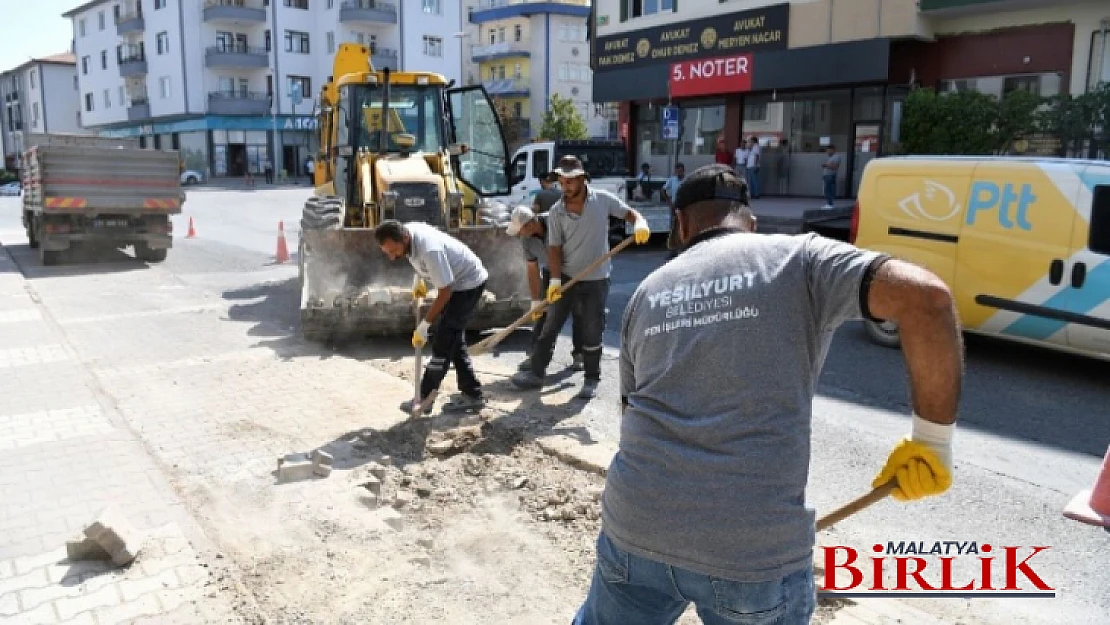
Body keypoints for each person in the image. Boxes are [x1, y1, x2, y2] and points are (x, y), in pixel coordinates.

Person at [573, 163, 963, 624]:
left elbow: (630, 417)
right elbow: (928, 299)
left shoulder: (648, 292)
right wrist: (932, 442)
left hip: (635, 527)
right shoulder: (801, 259)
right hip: (750, 553)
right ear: (750, 222)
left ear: (681, 225)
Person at [510, 155, 651, 400]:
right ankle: (536, 372)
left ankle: (591, 378)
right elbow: (553, 248)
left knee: (592, 326)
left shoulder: (603, 201)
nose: (565, 186)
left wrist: (640, 223)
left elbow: (630, 214)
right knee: (551, 324)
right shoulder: (556, 212)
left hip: (597, 278)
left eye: (570, 181)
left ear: (582, 179)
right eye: (562, 181)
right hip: (566, 277)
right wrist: (554, 280)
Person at [375, 220, 490, 414]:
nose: (392, 258)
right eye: (387, 253)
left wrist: (424, 325)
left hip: (468, 284)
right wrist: (419, 279)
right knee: (454, 339)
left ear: (404, 238)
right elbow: (421, 262)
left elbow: (445, 292)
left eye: (394, 251)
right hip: (454, 282)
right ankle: (473, 393)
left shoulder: (430, 251)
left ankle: (424, 398)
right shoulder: (408, 232)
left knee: (443, 341)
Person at [505, 205, 584, 372]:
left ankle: (580, 355)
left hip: (576, 270)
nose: (519, 235)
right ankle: (536, 355)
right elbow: (532, 269)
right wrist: (536, 301)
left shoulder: (557, 221)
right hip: (551, 271)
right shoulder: (526, 240)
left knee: (580, 310)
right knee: (544, 314)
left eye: (520, 230)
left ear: (530, 224)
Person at [661, 162, 685, 256]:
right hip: (675, 206)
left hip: (684, 206)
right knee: (673, 229)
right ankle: (673, 251)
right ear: (675, 172)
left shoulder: (687, 180)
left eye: (681, 171)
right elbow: (663, 190)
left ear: (683, 171)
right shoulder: (672, 180)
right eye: (677, 171)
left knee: (683, 228)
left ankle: (683, 250)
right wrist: (669, 202)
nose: (679, 173)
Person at [822, 144, 841, 209]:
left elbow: (835, 166)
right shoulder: (831, 157)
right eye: (827, 151)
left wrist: (826, 165)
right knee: (827, 190)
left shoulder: (836, 157)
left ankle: (830, 204)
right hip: (827, 175)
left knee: (828, 190)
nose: (827, 152)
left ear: (832, 150)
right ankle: (829, 204)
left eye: (828, 151)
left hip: (830, 176)